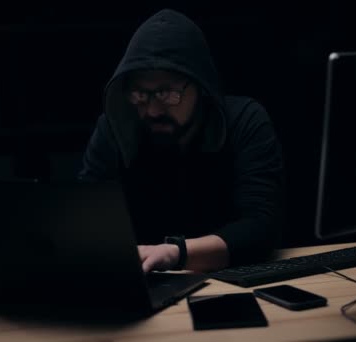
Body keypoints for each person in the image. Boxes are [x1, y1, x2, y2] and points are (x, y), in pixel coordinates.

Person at [79, 9, 284, 273]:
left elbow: (261, 228)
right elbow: (86, 221)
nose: (152, 110)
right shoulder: (114, 129)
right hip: (143, 280)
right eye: (140, 95)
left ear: (200, 86)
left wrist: (176, 253)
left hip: (236, 279)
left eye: (166, 93)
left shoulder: (245, 121)